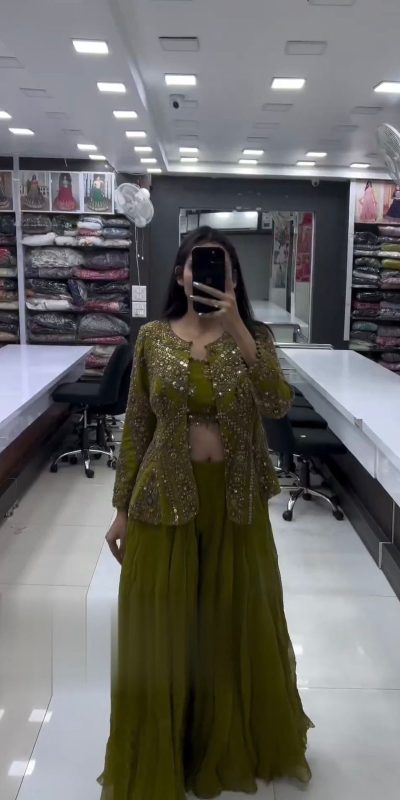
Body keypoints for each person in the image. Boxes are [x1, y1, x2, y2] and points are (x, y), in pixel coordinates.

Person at [99, 226, 313, 799]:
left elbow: (277, 404)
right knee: (166, 632)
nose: (211, 274)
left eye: (223, 265)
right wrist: (121, 510)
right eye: (200, 264)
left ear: (234, 278)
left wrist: (238, 327)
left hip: (236, 502)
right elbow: (137, 426)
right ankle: (171, 750)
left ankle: (224, 741)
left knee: (228, 623)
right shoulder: (152, 338)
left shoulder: (255, 339)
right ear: (181, 275)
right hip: (162, 497)